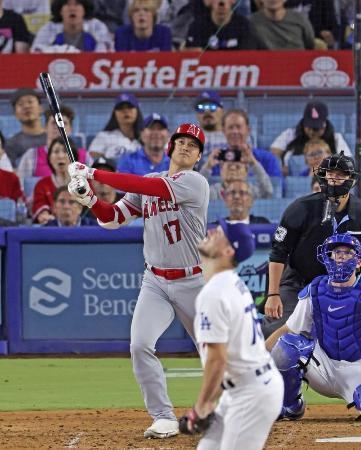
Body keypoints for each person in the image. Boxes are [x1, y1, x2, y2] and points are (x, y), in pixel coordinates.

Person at [68, 123, 209, 438]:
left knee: (213, 352)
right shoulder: (146, 182)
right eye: (181, 141)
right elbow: (113, 219)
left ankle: (234, 409)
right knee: (140, 345)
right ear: (170, 147)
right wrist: (89, 200)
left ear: (198, 157)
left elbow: (155, 190)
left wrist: (95, 173)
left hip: (194, 281)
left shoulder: (195, 182)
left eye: (193, 145)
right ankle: (163, 416)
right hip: (155, 280)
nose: (186, 147)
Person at [179, 221, 283, 449]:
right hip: (242, 387)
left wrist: (201, 407)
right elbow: (225, 364)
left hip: (252, 393)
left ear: (228, 251)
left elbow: (218, 360)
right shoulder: (231, 285)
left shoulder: (215, 293)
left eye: (219, 234)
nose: (210, 231)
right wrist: (207, 404)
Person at [262, 152, 361, 339]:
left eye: (340, 174)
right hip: (298, 282)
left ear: (352, 179)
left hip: (346, 286)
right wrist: (273, 294)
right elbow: (278, 252)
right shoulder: (301, 207)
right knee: (276, 331)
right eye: (329, 173)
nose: (333, 179)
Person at [266, 232, 361, 421]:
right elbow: (289, 329)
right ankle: (291, 406)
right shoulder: (316, 289)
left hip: (357, 370)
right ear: (328, 258)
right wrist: (257, 357)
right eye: (336, 252)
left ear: (358, 262)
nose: (341, 256)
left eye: (347, 252)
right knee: (287, 346)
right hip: (323, 367)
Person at [271, 100, 352, 174]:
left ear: (324, 125)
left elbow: (347, 164)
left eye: (316, 128)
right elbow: (274, 152)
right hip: (296, 177)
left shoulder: (336, 138)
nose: (311, 132)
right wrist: (280, 165)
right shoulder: (290, 134)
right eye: (309, 127)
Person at [201, 109, 282, 179]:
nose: (235, 131)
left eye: (239, 127)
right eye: (230, 127)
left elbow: (275, 189)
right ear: (223, 131)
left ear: (248, 130)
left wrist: (253, 162)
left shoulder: (267, 158)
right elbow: (200, 191)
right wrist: (207, 166)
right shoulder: (216, 159)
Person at [17, 105, 89, 183]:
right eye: (54, 123)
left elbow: (93, 186)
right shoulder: (31, 156)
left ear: (70, 129)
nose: (59, 126)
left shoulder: (85, 156)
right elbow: (21, 185)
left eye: (64, 123)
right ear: (45, 127)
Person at [31, 0, 112, 52]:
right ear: (60, 11)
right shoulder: (48, 28)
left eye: (77, 4)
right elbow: (36, 53)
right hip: (55, 71)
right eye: (67, 4)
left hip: (89, 73)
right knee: (41, 73)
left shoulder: (97, 26)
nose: (72, 9)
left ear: (84, 10)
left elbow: (107, 54)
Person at [185, 0, 266, 51]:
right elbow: (194, 59)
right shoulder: (197, 26)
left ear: (233, 1)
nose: (221, 2)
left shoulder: (244, 26)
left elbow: (246, 58)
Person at [32, 136, 78, 224]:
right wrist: (44, 215)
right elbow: (40, 207)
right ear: (49, 158)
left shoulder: (84, 183)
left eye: (65, 151)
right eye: (56, 152)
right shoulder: (42, 185)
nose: (60, 156)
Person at [88, 92, 143, 161]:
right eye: (120, 108)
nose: (125, 111)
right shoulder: (104, 136)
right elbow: (92, 157)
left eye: (130, 107)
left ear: (137, 111)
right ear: (115, 113)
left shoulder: (147, 136)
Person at [206, 148, 273, 200]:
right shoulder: (213, 192)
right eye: (229, 167)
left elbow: (268, 192)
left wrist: (253, 162)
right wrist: (207, 166)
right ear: (221, 171)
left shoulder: (252, 191)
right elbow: (196, 194)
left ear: (246, 171)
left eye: (237, 167)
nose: (233, 169)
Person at [5, 88, 46, 167]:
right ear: (15, 114)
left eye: (30, 102)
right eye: (21, 104)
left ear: (41, 108)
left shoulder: (55, 139)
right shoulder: (11, 145)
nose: (26, 106)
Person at [250, 0, 315, 50]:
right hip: (266, 64)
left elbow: (310, 46)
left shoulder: (300, 19)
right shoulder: (251, 22)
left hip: (297, 63)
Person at [194, 90, 227, 163]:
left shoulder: (234, 136)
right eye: (201, 108)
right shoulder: (189, 138)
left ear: (222, 111)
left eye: (212, 107)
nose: (207, 111)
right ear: (196, 114)